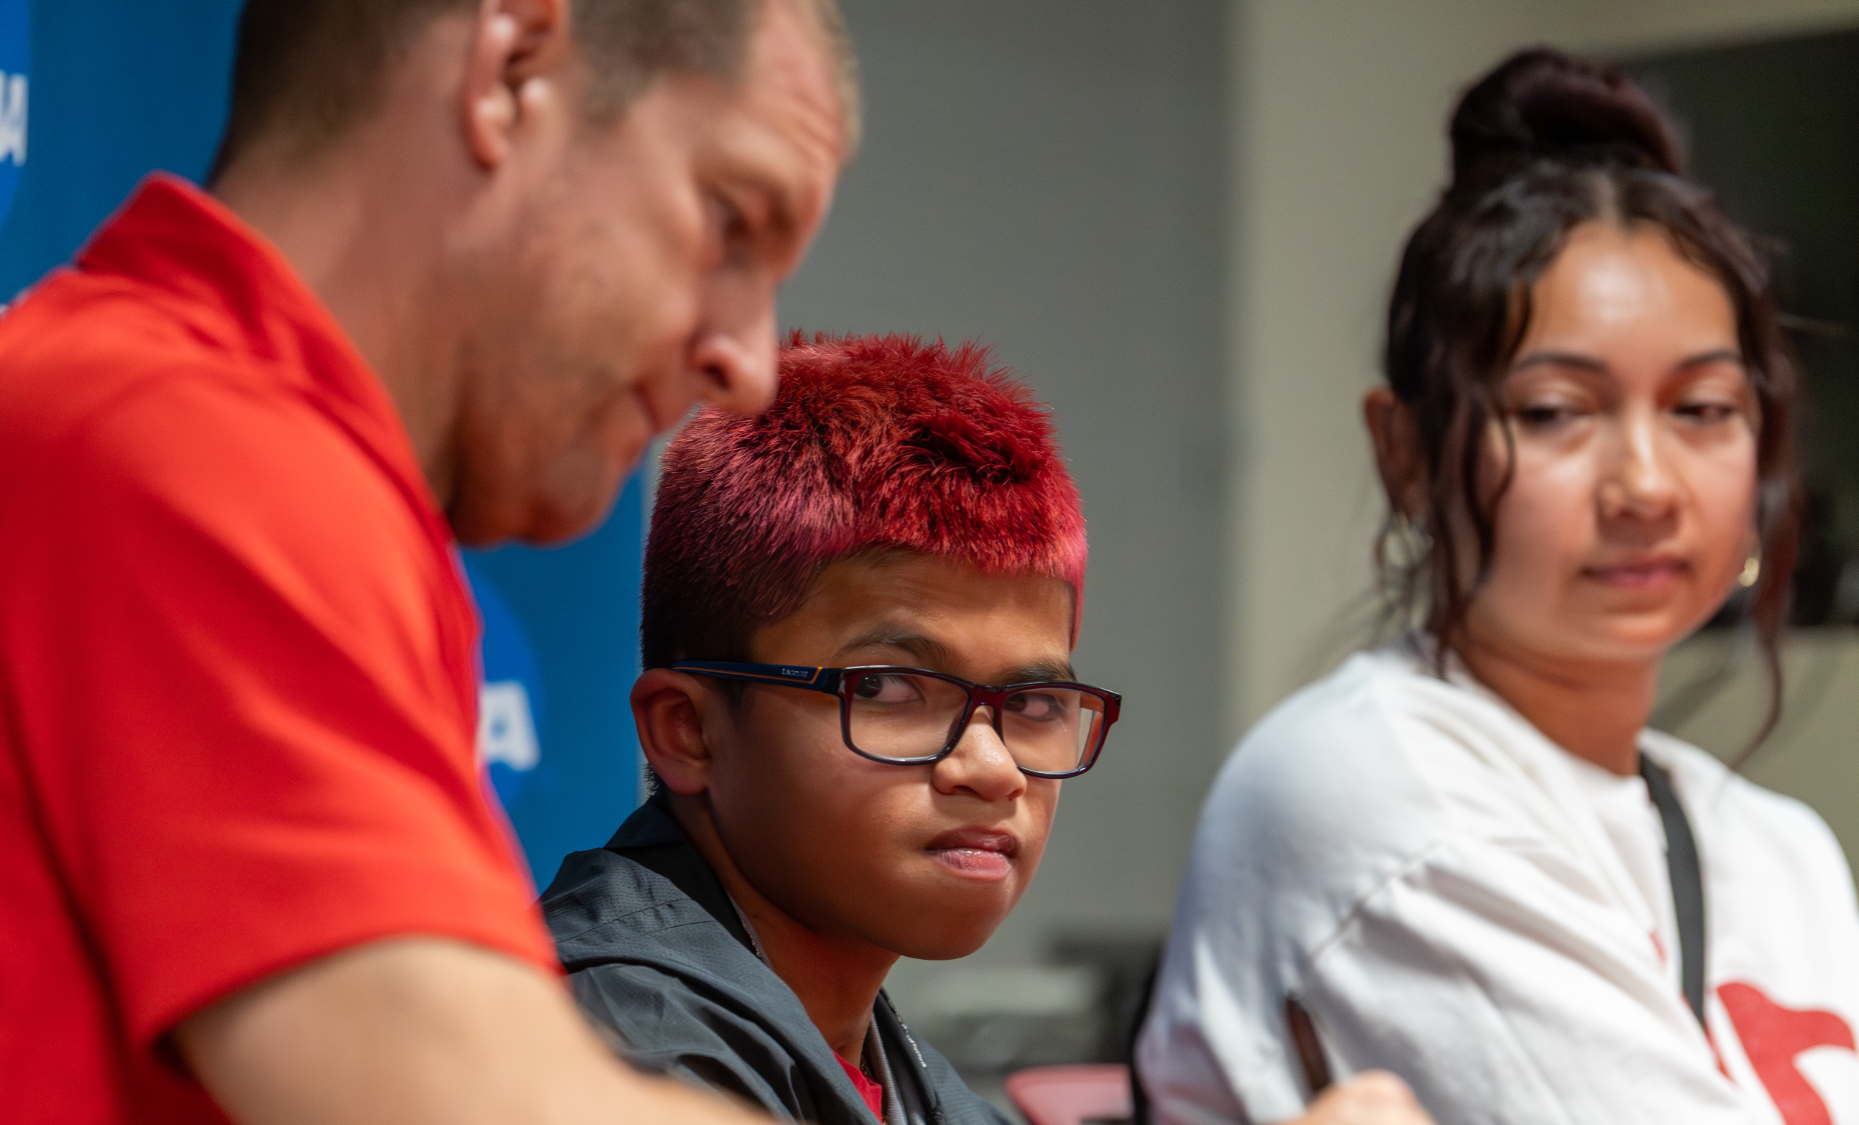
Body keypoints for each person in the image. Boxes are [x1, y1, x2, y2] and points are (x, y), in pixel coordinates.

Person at [0, 1, 853, 1122]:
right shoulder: (179, 433)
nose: (749, 363)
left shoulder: (192, 429)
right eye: (730, 222)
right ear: (510, 72)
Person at [1136, 48, 1859, 1125]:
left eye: (1700, 409)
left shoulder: (1777, 849)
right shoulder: (1372, 786)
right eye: (1554, 410)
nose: (1644, 485)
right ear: (1408, 454)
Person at [539, 334, 1434, 1125]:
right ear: (687, 729)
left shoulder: (911, 1078)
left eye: (1034, 706)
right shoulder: (606, 1046)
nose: (990, 767)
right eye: (890, 688)